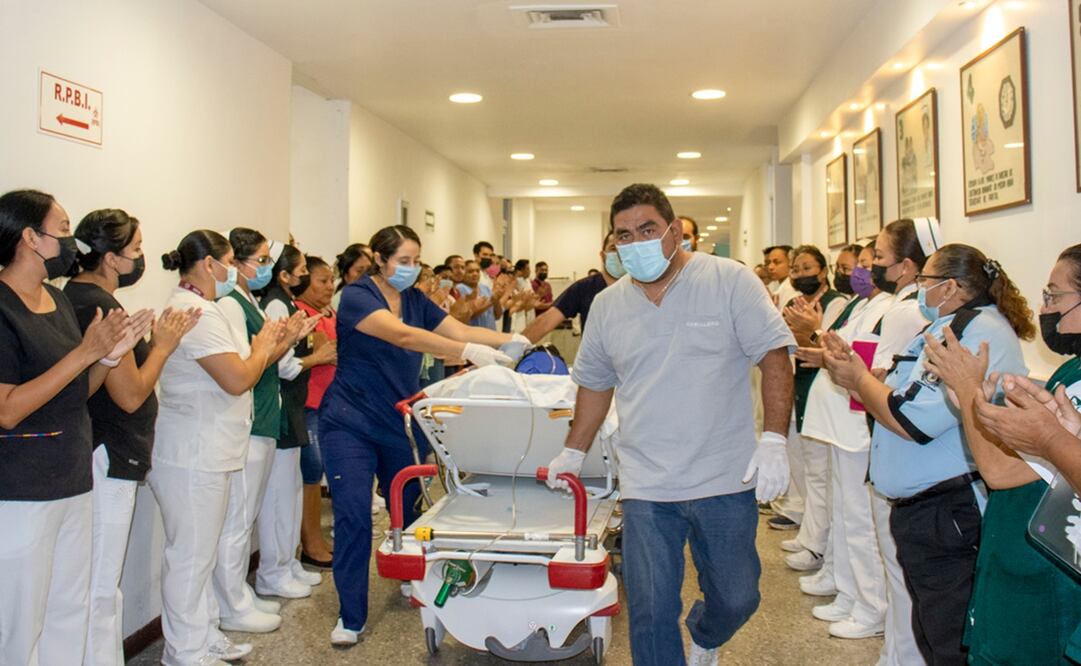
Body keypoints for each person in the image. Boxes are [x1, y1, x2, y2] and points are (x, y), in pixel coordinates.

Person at [544, 184, 795, 666]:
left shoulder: (730, 281)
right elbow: (595, 384)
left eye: (647, 229)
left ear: (675, 231)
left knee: (738, 597)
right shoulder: (608, 306)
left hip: (725, 476)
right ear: (611, 243)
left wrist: (775, 440)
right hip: (647, 483)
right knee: (651, 609)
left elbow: (775, 357)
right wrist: (573, 451)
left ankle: (706, 632)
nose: (635, 242)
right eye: (623, 235)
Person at [822, 239, 1029, 665]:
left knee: (951, 637)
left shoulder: (974, 333)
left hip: (949, 507)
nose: (919, 289)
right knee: (932, 630)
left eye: (925, 280)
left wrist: (861, 380)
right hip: (925, 508)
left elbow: (913, 421)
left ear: (950, 287)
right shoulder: (951, 325)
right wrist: (870, 377)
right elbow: (909, 393)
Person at [319, 225, 528, 646]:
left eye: (416, 261)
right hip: (349, 421)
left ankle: (411, 577)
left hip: (398, 420)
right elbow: (402, 335)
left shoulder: (415, 299)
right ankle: (351, 615)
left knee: (413, 513)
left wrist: (512, 339)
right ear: (380, 259)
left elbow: (461, 330)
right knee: (355, 516)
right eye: (403, 262)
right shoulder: (358, 296)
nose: (411, 270)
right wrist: (465, 354)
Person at [0, 190, 145, 666]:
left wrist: (108, 354)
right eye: (62, 230)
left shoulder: (58, 301)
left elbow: (75, 392)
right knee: (20, 625)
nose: (70, 242)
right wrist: (84, 353)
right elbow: (7, 409)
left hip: (72, 478)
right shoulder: (2, 309)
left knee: (69, 609)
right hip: (22, 490)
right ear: (29, 238)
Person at [922, 243, 1081, 664]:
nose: (1044, 305)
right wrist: (983, 406)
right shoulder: (1072, 369)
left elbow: (1001, 472)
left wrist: (968, 389)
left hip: (1047, 577)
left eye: (1054, 295)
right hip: (1017, 558)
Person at [66, 208, 199, 666]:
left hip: (103, 453)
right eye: (136, 250)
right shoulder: (98, 306)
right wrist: (163, 346)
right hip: (106, 455)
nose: (142, 259)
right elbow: (129, 394)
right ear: (109, 258)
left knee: (95, 581)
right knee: (100, 583)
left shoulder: (80, 296)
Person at [148, 229, 287, 665]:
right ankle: (184, 651)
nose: (234, 271)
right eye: (230, 260)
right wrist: (264, 346)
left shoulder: (203, 308)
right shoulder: (192, 312)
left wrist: (269, 346)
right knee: (190, 557)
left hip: (211, 449)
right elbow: (237, 378)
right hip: (193, 452)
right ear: (210, 264)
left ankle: (204, 634)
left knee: (201, 553)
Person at [213, 229, 319, 633]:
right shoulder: (230, 304)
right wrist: (287, 341)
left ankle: (241, 592)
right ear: (234, 262)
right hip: (250, 417)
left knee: (251, 511)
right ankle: (233, 600)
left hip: (265, 415)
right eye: (259, 260)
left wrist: (287, 339)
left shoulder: (249, 301)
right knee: (239, 518)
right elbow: (249, 362)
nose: (266, 269)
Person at [259, 242, 336, 588]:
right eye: (302, 269)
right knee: (281, 491)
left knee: (289, 487)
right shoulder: (275, 302)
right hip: (287, 402)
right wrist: (317, 358)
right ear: (285, 273)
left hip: (296, 399)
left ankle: (287, 562)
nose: (305, 275)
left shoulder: (285, 301)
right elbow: (284, 363)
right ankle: (275, 569)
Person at [776, 245, 849, 573]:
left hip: (828, 394)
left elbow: (823, 346)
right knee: (807, 467)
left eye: (807, 268)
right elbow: (788, 342)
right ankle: (810, 534)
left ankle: (817, 546)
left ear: (823, 271)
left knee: (821, 474)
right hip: (801, 388)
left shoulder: (837, 303)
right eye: (796, 269)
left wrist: (808, 332)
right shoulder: (795, 303)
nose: (800, 275)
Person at [295, 255, 338, 567]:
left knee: (317, 470)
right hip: (308, 403)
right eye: (322, 281)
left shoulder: (327, 311)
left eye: (330, 280)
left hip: (327, 402)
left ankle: (316, 538)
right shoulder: (301, 313)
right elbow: (331, 351)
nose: (329, 286)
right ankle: (310, 543)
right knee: (311, 473)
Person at [521, 231, 624, 343]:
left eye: (624, 249)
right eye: (613, 248)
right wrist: (512, 347)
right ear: (603, 255)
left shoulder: (641, 287)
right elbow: (546, 322)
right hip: (596, 359)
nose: (619, 253)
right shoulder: (584, 287)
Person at [332, 243, 372, 309]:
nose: (365, 276)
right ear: (345, 273)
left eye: (368, 270)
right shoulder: (339, 301)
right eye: (359, 271)